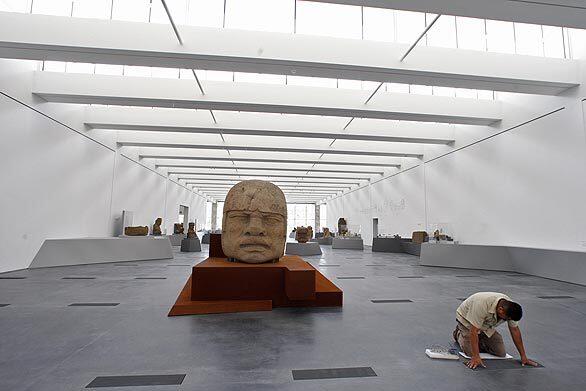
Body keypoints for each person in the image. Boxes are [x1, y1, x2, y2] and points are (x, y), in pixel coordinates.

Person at [453, 292, 539, 369]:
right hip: (466, 320)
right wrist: (476, 357)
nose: (507, 320)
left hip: (485, 325)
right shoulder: (482, 304)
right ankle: (458, 333)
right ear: (501, 309)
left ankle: (478, 336)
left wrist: (523, 356)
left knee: (500, 352)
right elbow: (473, 330)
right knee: (470, 353)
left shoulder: (511, 309)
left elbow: (515, 330)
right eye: (506, 319)